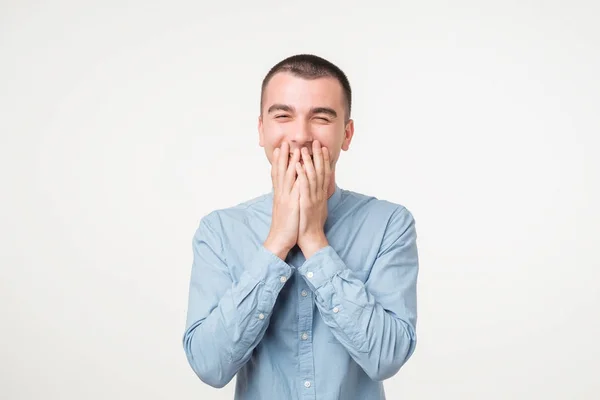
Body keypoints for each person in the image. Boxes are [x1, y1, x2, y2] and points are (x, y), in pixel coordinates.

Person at [182, 54, 419, 400]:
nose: (300, 135)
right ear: (262, 130)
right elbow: (209, 366)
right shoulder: (219, 231)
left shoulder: (389, 225)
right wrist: (276, 242)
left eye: (321, 117)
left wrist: (314, 241)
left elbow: (386, 358)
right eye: (283, 116)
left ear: (347, 134)